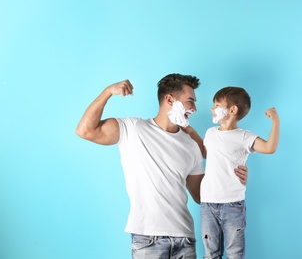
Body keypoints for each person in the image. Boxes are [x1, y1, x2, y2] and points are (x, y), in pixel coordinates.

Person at [75, 74, 249, 258]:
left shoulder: (191, 145)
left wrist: (231, 176)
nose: (195, 109)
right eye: (190, 101)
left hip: (185, 240)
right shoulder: (133, 129)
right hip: (148, 240)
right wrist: (108, 92)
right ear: (169, 99)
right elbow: (85, 130)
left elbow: (201, 196)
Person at [185, 86, 280, 259]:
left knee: (235, 254)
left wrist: (275, 122)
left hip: (233, 205)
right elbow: (207, 153)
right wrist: (191, 132)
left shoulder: (243, 136)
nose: (212, 109)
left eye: (216, 105)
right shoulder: (211, 133)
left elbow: (269, 147)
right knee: (210, 254)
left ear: (232, 110)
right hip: (208, 203)